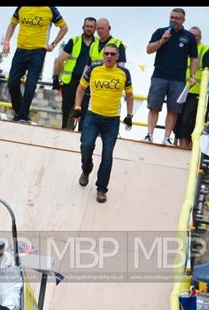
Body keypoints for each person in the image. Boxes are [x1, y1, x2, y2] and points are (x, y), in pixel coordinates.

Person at [73, 42, 134, 204]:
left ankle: (101, 189)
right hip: (92, 117)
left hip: (112, 120)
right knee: (86, 146)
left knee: (107, 155)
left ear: (117, 56)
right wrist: (78, 107)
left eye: (112, 54)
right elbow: (80, 89)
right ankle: (86, 170)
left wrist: (129, 115)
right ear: (102, 55)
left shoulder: (124, 73)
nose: (109, 56)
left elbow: (129, 95)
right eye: (106, 53)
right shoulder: (93, 69)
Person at [2, 7, 68, 123]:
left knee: (30, 86)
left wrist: (53, 44)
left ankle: (22, 116)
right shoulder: (21, 7)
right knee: (12, 83)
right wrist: (7, 42)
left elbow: (64, 28)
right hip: (21, 50)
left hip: (38, 52)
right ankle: (20, 112)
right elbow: (12, 24)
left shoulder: (50, 9)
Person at [144, 8, 198, 145]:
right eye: (172, 17)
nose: (174, 20)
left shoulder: (189, 37)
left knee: (173, 109)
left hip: (178, 79)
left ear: (183, 20)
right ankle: (149, 134)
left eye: (177, 18)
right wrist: (162, 41)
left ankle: (167, 138)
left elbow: (194, 58)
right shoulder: (160, 32)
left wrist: (192, 75)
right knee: (154, 106)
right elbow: (148, 50)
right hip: (159, 76)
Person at [173, 26, 209, 149]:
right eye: (190, 35)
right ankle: (180, 146)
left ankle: (186, 148)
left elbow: (208, 70)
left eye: (195, 36)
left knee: (188, 121)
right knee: (178, 120)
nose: (192, 37)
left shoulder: (205, 50)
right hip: (180, 88)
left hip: (196, 92)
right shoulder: (182, 47)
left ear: (200, 37)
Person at [53, 17, 96, 130]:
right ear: (83, 27)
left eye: (92, 27)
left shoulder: (98, 44)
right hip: (71, 81)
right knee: (67, 110)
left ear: (95, 29)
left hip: (88, 83)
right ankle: (66, 133)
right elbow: (60, 60)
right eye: (87, 26)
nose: (89, 29)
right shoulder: (74, 41)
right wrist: (55, 78)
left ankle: (82, 136)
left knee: (85, 111)